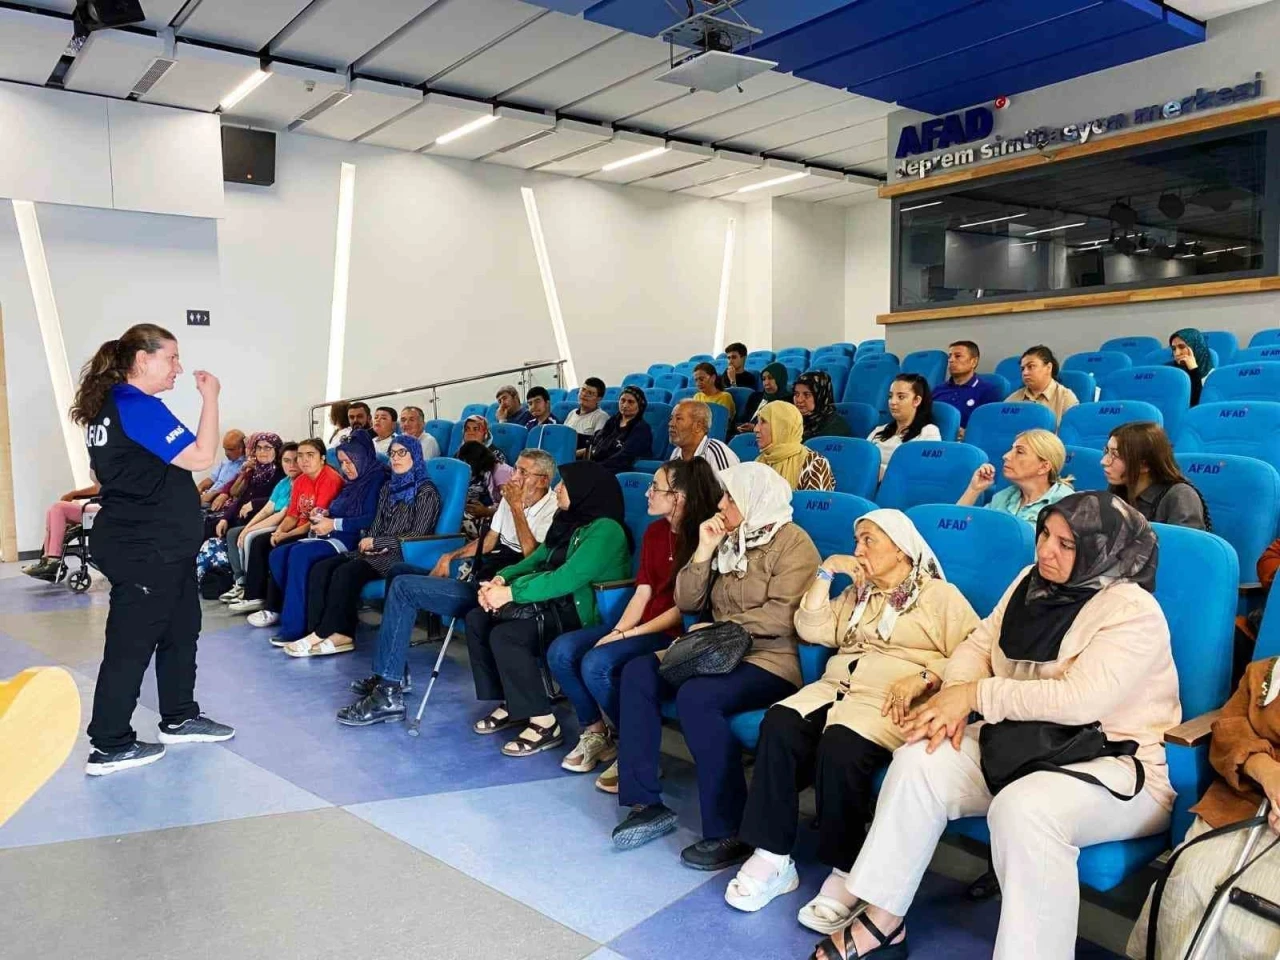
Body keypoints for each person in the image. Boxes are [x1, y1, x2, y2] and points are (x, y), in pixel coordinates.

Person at [822, 492, 1177, 960]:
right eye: (1044, 534)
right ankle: (883, 920)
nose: (1045, 550)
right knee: (918, 759)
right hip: (1020, 744)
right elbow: (977, 644)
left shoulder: (1133, 611)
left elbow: (1079, 700)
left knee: (1023, 809)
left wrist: (974, 696)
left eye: (1066, 544)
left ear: (1101, 551)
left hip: (1114, 763)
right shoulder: (1031, 582)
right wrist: (955, 696)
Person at [725, 510, 980, 924]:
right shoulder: (858, 593)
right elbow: (811, 628)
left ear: (901, 550)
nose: (858, 550)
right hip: (836, 689)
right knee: (780, 723)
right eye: (856, 540)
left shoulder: (938, 597)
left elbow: (976, 652)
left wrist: (926, 676)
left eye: (869, 540)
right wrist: (826, 571)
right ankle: (772, 855)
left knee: (841, 745)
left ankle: (847, 870)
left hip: (889, 701)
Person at [612, 463, 821, 871]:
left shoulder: (794, 544)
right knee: (637, 673)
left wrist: (724, 627)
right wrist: (705, 550)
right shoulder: (728, 539)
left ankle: (731, 829)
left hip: (769, 658)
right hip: (714, 650)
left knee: (697, 697)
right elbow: (688, 601)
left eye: (730, 498)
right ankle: (646, 803)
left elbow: (783, 616)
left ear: (754, 501)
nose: (721, 505)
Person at [70, 323, 234, 775]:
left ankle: (179, 716)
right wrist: (211, 397)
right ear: (143, 360)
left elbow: (105, 473)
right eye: (171, 358)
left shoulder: (110, 406)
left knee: (182, 629)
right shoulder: (135, 405)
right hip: (145, 548)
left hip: (164, 545)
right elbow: (201, 457)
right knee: (131, 643)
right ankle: (109, 743)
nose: (178, 367)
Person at [337, 450, 558, 726]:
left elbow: (534, 558)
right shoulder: (512, 498)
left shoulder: (552, 510)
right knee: (399, 571)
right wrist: (449, 557)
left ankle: (388, 695)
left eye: (524, 473)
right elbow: (489, 541)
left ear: (543, 480)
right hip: (483, 574)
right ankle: (395, 672)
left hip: (503, 591)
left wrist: (515, 508)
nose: (515, 477)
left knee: (404, 587)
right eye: (516, 469)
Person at [548, 459, 723, 790]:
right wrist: (618, 631)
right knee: (562, 651)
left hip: (672, 633)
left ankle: (636, 750)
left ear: (678, 497)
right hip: (640, 624)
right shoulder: (655, 532)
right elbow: (643, 591)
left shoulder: (702, 538)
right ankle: (597, 732)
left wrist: (628, 634)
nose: (647, 493)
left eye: (655, 487)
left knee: (597, 663)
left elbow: (682, 609)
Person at [466, 462, 631, 758]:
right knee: (478, 618)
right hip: (556, 603)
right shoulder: (568, 520)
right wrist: (502, 578)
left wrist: (510, 593)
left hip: (583, 612)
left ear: (584, 491)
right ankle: (513, 703)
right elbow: (538, 558)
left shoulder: (607, 530)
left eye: (564, 484)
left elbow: (567, 578)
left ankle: (544, 724)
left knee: (507, 636)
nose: (557, 488)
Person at [1127, 655, 1280, 959]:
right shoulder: (1264, 674)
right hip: (1244, 801)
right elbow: (1229, 729)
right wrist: (1265, 769)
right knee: (1190, 879)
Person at [283, 435, 441, 657]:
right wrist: (370, 541)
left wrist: (378, 542)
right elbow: (376, 523)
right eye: (392, 453)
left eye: (402, 453)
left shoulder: (426, 492)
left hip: (401, 554)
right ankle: (322, 631)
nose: (395, 458)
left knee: (346, 572)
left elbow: (418, 535)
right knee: (322, 568)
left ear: (415, 455)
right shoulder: (389, 487)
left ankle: (329, 633)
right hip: (375, 550)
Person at [248, 431, 388, 643]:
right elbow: (334, 508)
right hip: (329, 532)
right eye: (342, 462)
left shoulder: (375, 479)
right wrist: (323, 514)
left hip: (351, 538)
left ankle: (295, 627)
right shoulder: (352, 481)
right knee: (278, 554)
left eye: (350, 462)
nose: (346, 467)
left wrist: (332, 522)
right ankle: (296, 609)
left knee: (299, 554)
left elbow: (369, 518)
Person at [229, 438, 343, 615]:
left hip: (317, 531)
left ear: (322, 458)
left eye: (310, 455)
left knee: (279, 549)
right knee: (261, 542)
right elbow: (292, 515)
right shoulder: (300, 480)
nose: (303, 460)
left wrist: (285, 535)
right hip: (298, 527)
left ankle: (273, 607)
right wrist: (280, 531)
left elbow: (315, 522)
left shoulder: (329, 479)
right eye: (300, 456)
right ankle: (254, 596)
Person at [219, 443, 299, 603]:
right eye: (286, 460)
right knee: (234, 533)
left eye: (295, 460)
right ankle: (241, 581)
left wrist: (249, 530)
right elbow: (267, 509)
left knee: (251, 538)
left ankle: (252, 589)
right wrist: (247, 528)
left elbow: (281, 515)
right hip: (273, 519)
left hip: (285, 523)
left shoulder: (299, 483)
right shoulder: (283, 483)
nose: (291, 465)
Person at [1104, 422, 1209, 530]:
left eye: (1115, 455)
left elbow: (1183, 540)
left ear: (1144, 465)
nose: (1103, 461)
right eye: (1107, 451)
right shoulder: (1119, 486)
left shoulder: (1181, 496)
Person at [958, 429, 1075, 523]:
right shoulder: (1003, 497)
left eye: (1019, 452)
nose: (1006, 456)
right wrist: (974, 490)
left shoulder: (1067, 504)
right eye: (1011, 450)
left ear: (1044, 467)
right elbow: (960, 526)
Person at [202, 433, 283, 540]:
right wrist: (225, 518)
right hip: (241, 516)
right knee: (206, 527)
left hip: (259, 520)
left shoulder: (281, 474)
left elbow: (281, 501)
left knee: (227, 533)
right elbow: (241, 498)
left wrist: (254, 503)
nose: (262, 452)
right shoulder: (255, 472)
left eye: (267, 448)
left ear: (276, 450)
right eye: (258, 448)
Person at [22, 483, 102, 582]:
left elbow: (100, 488)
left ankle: (53, 560)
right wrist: (74, 494)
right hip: (102, 510)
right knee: (52, 510)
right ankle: (46, 559)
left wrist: (73, 494)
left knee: (58, 507)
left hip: (105, 513)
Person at [868, 374, 942, 479]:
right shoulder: (879, 430)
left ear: (917, 400)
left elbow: (922, 472)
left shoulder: (929, 432)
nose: (892, 402)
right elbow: (861, 459)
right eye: (890, 396)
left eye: (901, 397)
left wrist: (875, 471)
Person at [755, 402, 834, 492]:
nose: (756, 429)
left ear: (783, 427)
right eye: (757, 422)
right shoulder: (760, 460)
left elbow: (814, 501)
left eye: (763, 422)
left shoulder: (815, 464)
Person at [932, 340, 1003, 432]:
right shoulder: (938, 390)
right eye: (950, 356)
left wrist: (968, 433)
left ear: (974, 362)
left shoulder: (987, 391)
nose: (951, 360)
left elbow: (990, 425)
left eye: (958, 356)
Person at [1005, 345, 1078, 427]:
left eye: (1031, 366)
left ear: (1049, 368)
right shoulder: (1013, 399)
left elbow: (1072, 432)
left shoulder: (1066, 398)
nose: (1025, 373)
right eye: (1022, 369)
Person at [585, 386, 653, 474]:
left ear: (640, 405)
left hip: (617, 471)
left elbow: (625, 457)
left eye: (630, 402)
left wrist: (596, 468)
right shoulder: (612, 421)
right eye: (622, 400)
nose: (625, 405)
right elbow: (597, 441)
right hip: (597, 466)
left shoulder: (641, 429)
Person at [457, 439, 515, 531]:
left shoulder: (501, 473)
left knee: (463, 525)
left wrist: (486, 511)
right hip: (496, 512)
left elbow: (511, 509)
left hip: (510, 521)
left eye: (466, 463)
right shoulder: (488, 471)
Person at [667, 399, 740, 471]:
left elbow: (731, 479)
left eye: (678, 419)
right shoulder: (676, 453)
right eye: (671, 418)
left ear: (698, 426)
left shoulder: (717, 453)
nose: (671, 424)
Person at [794, 371, 853, 441]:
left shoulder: (835, 426)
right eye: (796, 394)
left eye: (807, 395)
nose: (799, 400)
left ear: (821, 396)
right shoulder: (793, 419)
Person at [197, 430, 246, 507]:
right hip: (208, 495)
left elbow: (234, 489)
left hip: (221, 499)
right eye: (225, 449)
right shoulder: (225, 462)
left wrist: (213, 493)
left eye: (230, 449)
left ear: (241, 449)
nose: (226, 453)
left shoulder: (245, 466)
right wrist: (199, 487)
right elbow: (211, 479)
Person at [737, 362, 791, 431]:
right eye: (764, 379)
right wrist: (739, 427)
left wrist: (754, 427)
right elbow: (743, 419)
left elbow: (779, 428)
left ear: (780, 379)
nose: (766, 383)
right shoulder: (755, 397)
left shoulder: (788, 402)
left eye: (770, 378)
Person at [1169, 327, 1214, 407]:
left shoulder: (1212, 377)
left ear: (1196, 347)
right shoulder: (1170, 371)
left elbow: (1197, 404)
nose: (1177, 353)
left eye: (1182, 347)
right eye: (1173, 348)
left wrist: (1193, 370)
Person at [565, 377, 609, 447]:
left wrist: (572, 452)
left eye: (590, 393)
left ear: (599, 399)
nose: (584, 394)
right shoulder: (572, 413)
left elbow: (596, 446)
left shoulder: (602, 417)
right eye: (583, 390)